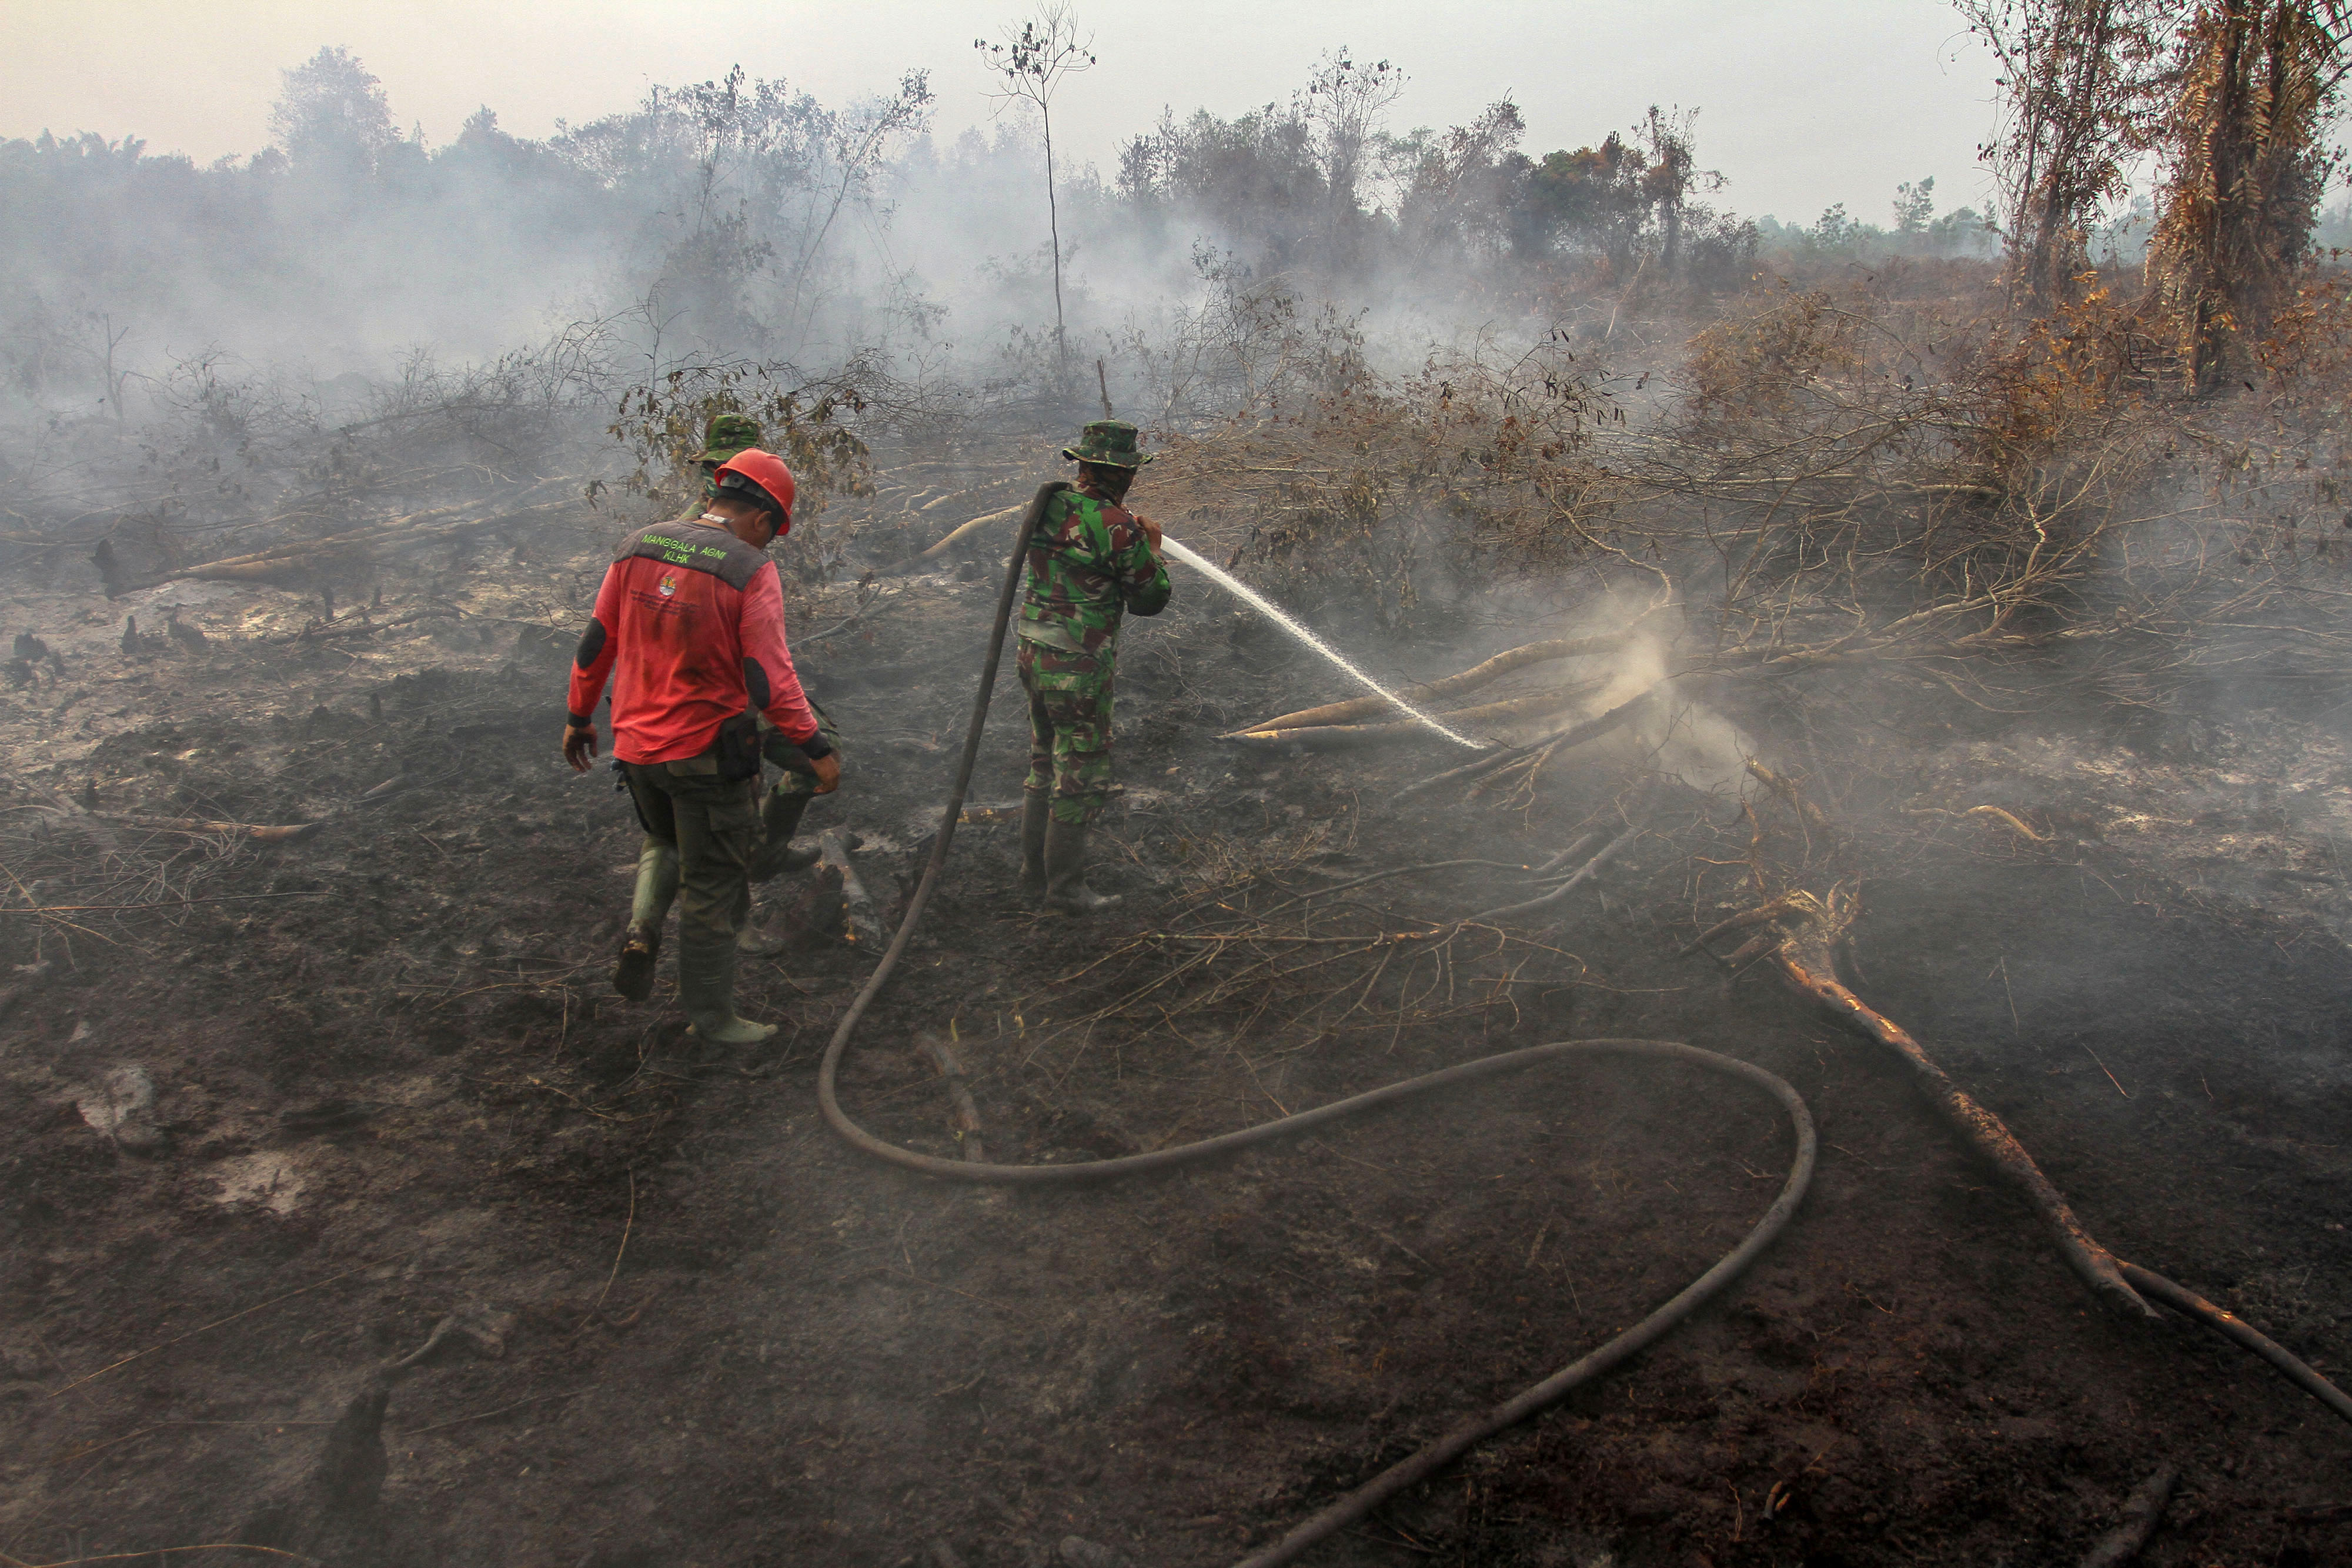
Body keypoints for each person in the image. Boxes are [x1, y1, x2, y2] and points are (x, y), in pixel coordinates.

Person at [563, 449, 839, 1043]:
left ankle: (642, 930)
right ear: (761, 518)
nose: (767, 544)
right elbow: (768, 678)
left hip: (635, 749)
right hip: (705, 757)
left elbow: (597, 641)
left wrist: (579, 715)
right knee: (712, 888)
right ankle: (714, 1019)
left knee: (665, 841)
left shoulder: (638, 544)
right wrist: (814, 747)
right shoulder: (749, 568)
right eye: (771, 533)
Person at [1017, 420, 1171, 912]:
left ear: (1083, 465)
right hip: (1077, 664)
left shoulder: (1049, 505)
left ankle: (1032, 873)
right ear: (1124, 473)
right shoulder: (1117, 526)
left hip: (1033, 650)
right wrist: (1152, 548)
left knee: (1045, 758)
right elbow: (1149, 599)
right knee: (1080, 767)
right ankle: (1065, 888)